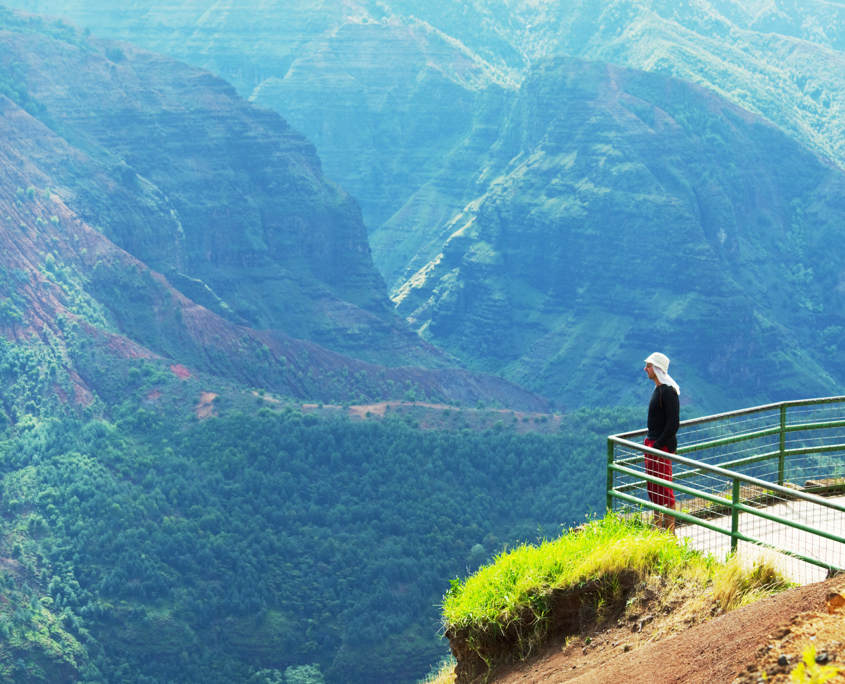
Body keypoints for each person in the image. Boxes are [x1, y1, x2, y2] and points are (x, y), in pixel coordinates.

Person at [643, 352, 680, 534]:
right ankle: (658, 529)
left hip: (660, 447)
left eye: (648, 366)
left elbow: (673, 423)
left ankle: (670, 534)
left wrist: (657, 446)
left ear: (656, 369)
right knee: (655, 489)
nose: (645, 369)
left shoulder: (667, 392)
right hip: (653, 444)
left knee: (665, 490)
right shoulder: (659, 389)